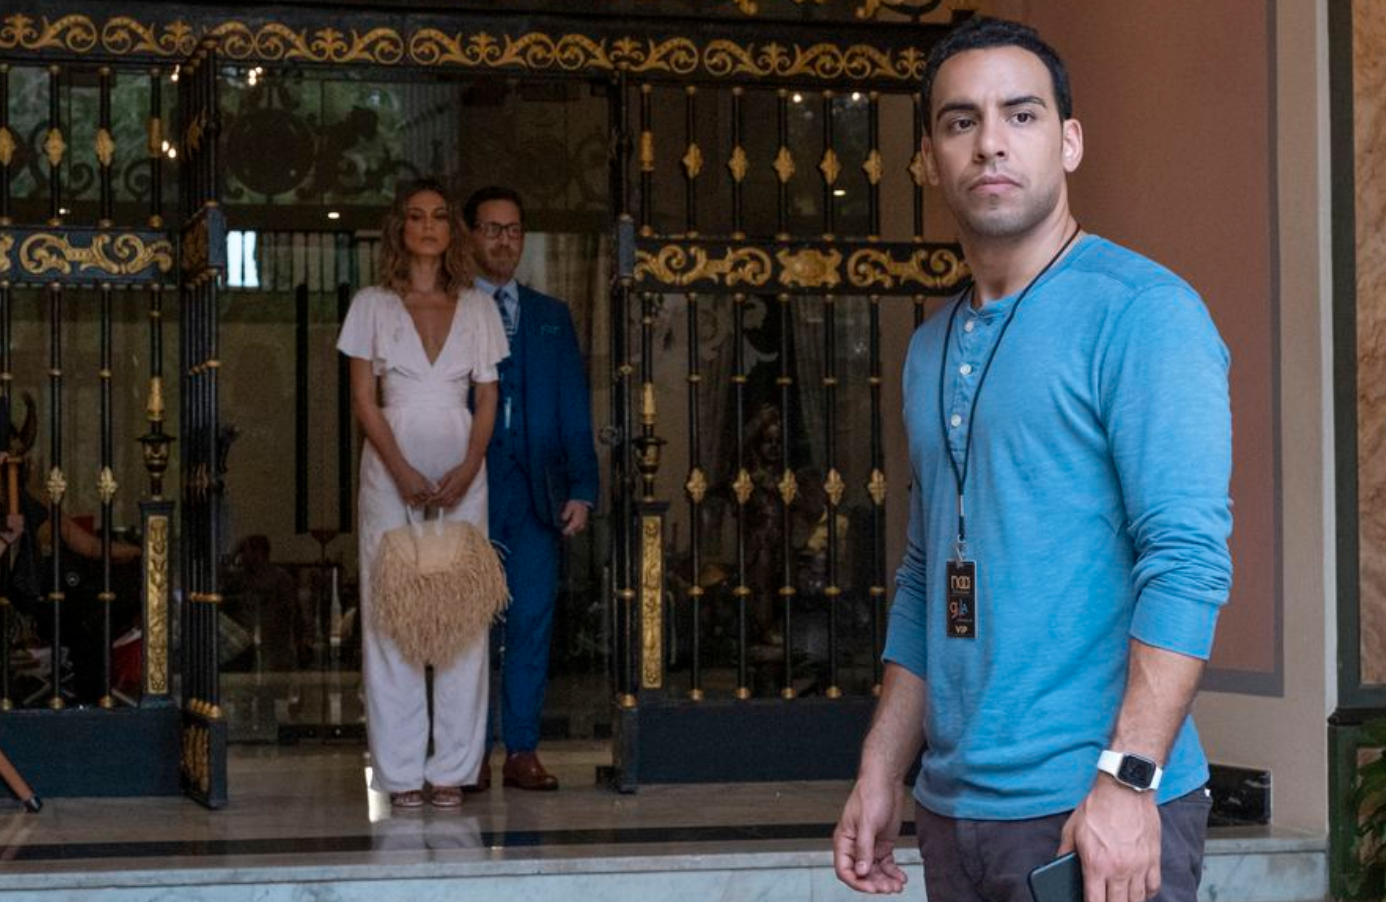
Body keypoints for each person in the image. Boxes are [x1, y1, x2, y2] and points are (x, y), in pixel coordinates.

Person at [833, 16, 1232, 902]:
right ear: (929, 159)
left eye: (1021, 115)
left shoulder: (1143, 313)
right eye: (960, 121)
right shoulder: (930, 347)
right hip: (954, 814)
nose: (990, 143)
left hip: (1092, 812)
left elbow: (1187, 563)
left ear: (1069, 141)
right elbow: (925, 573)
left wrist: (1128, 780)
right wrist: (881, 768)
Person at [338, 178, 507, 810]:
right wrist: (401, 470)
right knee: (392, 613)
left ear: (451, 230)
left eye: (439, 215)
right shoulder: (371, 305)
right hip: (389, 469)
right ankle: (401, 771)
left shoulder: (479, 307)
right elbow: (363, 400)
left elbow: (488, 398)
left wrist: (469, 466)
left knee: (462, 614)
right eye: (417, 216)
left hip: (464, 467)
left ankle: (452, 769)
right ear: (401, 229)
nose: (429, 226)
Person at [463, 186, 598, 792]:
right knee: (469, 627)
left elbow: (574, 405)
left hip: (538, 494)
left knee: (531, 622)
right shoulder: (454, 308)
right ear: (471, 236)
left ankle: (521, 750)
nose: (504, 240)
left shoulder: (551, 315)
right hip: (471, 490)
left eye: (513, 230)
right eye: (492, 229)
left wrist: (583, 487)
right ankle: (465, 755)